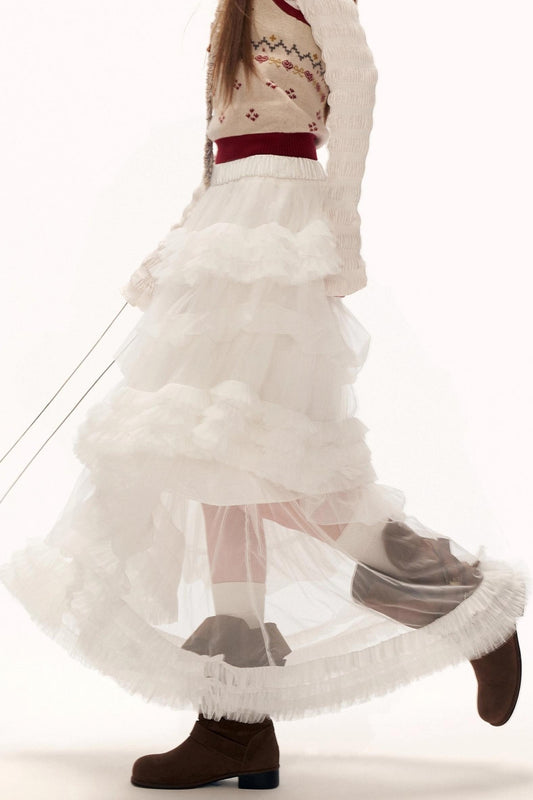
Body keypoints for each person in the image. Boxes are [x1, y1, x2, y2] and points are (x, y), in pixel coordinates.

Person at [0, 0, 529, 791]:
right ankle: (236, 723)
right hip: (232, 223)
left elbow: (357, 83)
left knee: (266, 462)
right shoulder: (230, 12)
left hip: (284, 224)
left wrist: (339, 226)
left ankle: (453, 598)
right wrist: (177, 245)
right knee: (215, 466)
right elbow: (220, 154)